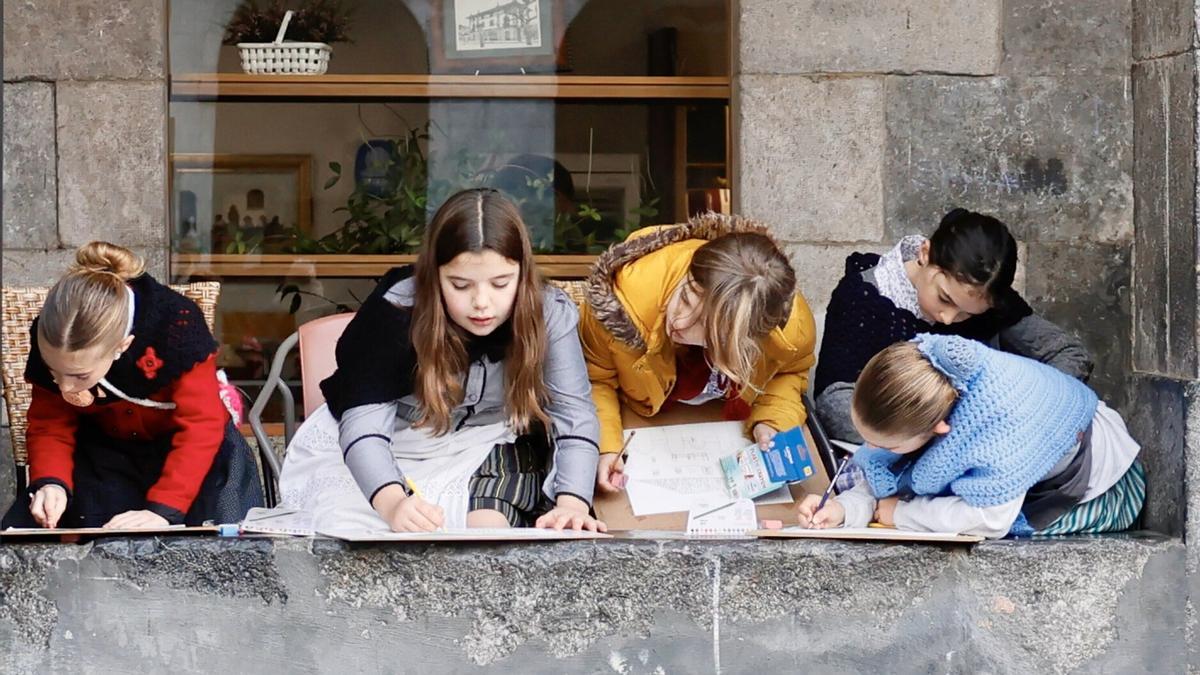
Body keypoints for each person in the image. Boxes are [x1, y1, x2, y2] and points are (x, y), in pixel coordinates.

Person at [278, 188, 605, 532]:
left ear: (522, 275)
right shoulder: (395, 313)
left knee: (488, 529)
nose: (482, 302)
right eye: (460, 285)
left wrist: (572, 504)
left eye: (500, 284)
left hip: (490, 440)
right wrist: (394, 503)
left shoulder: (548, 312)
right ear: (434, 276)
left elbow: (574, 413)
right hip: (393, 442)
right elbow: (365, 426)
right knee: (353, 526)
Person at [2, 242, 263, 529]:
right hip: (106, 453)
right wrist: (52, 482)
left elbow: (201, 425)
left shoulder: (177, 326)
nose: (64, 388)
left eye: (79, 376)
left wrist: (163, 510)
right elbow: (50, 422)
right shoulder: (55, 334)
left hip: (191, 456)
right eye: (54, 373)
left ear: (122, 346)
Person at [798, 335, 1143, 539]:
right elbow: (887, 474)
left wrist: (901, 515)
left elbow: (991, 519)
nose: (871, 450)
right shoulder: (924, 382)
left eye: (887, 445)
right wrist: (842, 509)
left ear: (938, 429)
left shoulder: (1000, 432)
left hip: (1095, 483)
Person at [579, 212, 816, 492]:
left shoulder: (790, 330)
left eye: (704, 324)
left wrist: (772, 421)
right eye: (685, 297)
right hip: (638, 424)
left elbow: (787, 374)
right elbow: (595, 379)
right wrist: (605, 446)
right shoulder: (622, 303)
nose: (679, 321)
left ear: (745, 338)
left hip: (725, 429)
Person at [814, 208, 1093, 444]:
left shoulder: (991, 305)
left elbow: (1069, 354)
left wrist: (1030, 410)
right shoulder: (863, 300)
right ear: (925, 253)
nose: (948, 319)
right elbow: (833, 404)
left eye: (967, 314)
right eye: (944, 298)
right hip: (899, 446)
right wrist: (923, 437)